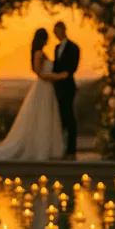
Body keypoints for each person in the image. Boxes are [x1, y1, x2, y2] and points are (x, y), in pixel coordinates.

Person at [0, 28, 68, 161]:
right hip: (43, 87)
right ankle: (40, 148)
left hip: (48, 88)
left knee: (46, 116)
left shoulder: (41, 53)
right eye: (46, 38)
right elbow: (39, 73)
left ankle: (47, 147)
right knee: (41, 116)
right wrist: (58, 77)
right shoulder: (39, 53)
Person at [51, 21, 80, 160]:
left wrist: (65, 74)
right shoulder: (56, 48)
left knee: (69, 116)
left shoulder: (74, 47)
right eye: (55, 32)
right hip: (58, 86)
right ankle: (61, 147)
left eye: (58, 31)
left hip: (68, 86)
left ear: (64, 30)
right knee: (60, 118)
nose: (56, 34)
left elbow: (73, 66)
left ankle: (71, 149)